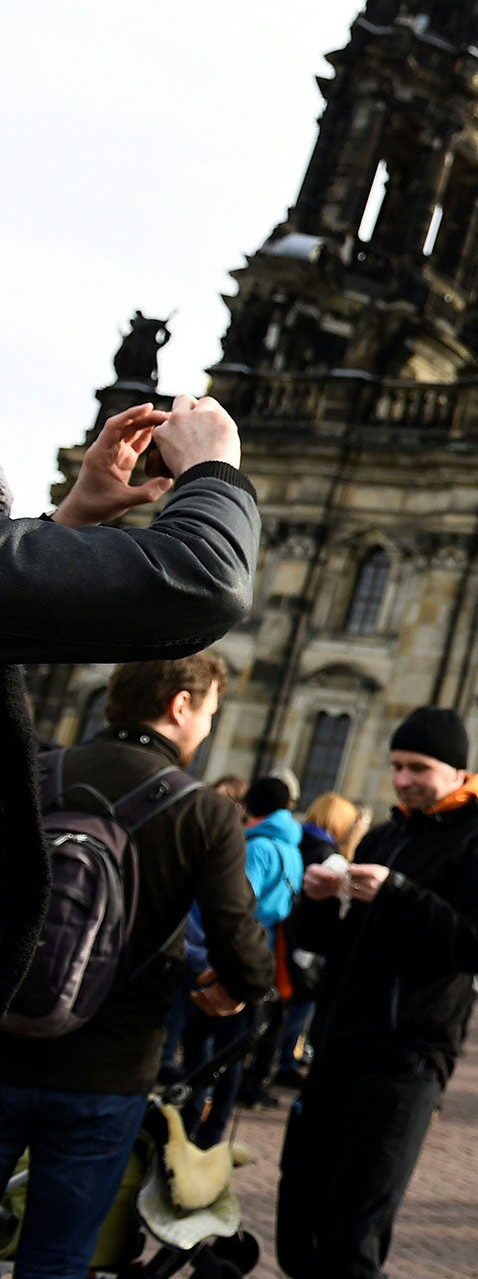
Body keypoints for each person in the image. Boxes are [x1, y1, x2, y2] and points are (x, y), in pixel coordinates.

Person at [0, 652, 272, 1279]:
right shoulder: (204, 811)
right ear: (181, 706)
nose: (206, 728)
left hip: (3, 1038)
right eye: (209, 712)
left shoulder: (34, 775)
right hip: (108, 1064)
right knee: (60, 1256)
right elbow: (242, 948)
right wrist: (232, 988)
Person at [1, 395, 261, 1011]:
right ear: (181, 706)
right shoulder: (203, 811)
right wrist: (214, 471)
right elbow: (202, 580)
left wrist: (64, 531)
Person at [274, 706, 478, 1279]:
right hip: (338, 1049)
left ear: (457, 771)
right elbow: (332, 943)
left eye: (418, 767)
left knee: (349, 1240)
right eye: (396, 766)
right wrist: (312, 900)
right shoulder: (385, 833)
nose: (403, 779)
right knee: (296, 1229)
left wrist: (400, 893)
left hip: (405, 1058)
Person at [183, 773, 304, 1138]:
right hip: (263, 949)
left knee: (203, 1042)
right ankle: (215, 1125)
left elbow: (234, 901)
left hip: (233, 950)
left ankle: (196, 1121)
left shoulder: (259, 846)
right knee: (233, 1046)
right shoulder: (291, 847)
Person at [275, 792, 362, 1085]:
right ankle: (285, 1060)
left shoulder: (297, 840)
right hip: (312, 941)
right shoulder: (328, 854)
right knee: (301, 1003)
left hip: (285, 930)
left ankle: (275, 1058)